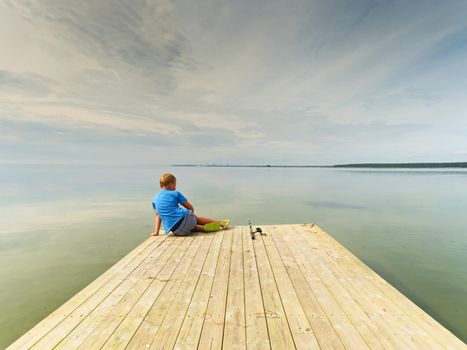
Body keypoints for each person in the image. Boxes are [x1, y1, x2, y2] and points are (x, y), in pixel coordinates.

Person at [150, 173, 229, 236]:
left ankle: (203, 228)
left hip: (176, 231)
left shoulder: (155, 198)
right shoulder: (175, 193)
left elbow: (158, 215)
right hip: (185, 219)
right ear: (170, 184)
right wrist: (193, 217)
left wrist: (156, 232)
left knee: (188, 227)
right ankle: (220, 223)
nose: (175, 187)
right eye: (175, 185)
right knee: (195, 219)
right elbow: (190, 207)